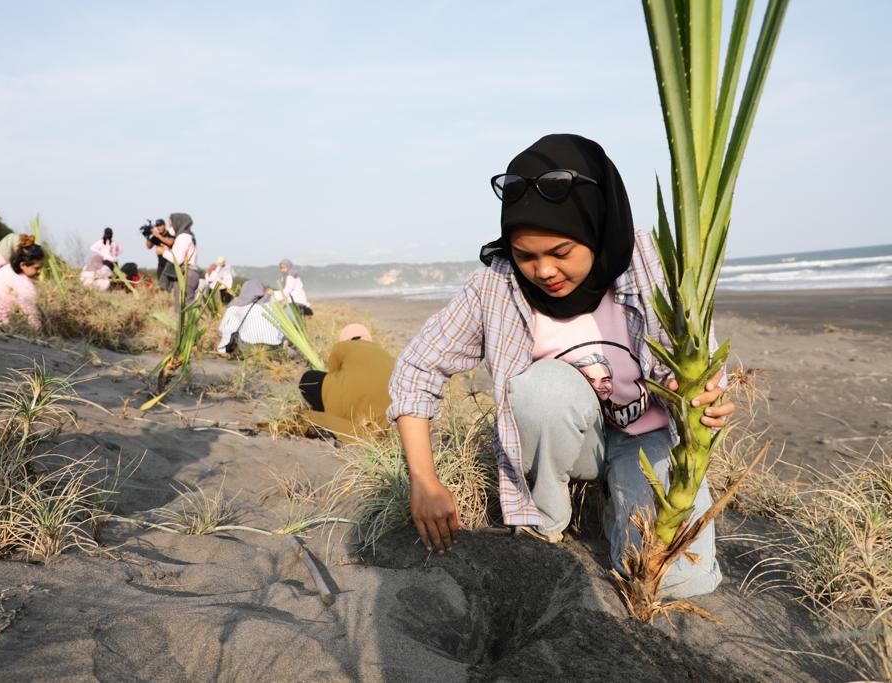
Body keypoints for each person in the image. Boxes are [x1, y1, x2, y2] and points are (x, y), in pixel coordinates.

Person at [387, 134, 736, 599]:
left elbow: (702, 361)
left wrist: (703, 393)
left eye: (559, 253)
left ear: (595, 230)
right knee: (543, 389)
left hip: (651, 437)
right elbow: (417, 368)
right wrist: (425, 482)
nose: (543, 271)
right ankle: (545, 521)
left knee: (675, 581)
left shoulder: (653, 266)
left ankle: (616, 502)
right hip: (570, 440)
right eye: (526, 254)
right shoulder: (497, 285)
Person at [298, 324, 395, 443]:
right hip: (384, 418)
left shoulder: (342, 346)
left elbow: (333, 372)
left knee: (309, 378)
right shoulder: (384, 353)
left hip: (350, 405)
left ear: (346, 338)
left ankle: (331, 413)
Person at [0, 237, 44, 329]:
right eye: (37, 268)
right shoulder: (24, 285)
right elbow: (32, 315)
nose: (39, 272)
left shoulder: (7, 269)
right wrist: (39, 330)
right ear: (22, 265)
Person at [216, 280, 284, 356]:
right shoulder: (272, 304)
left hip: (249, 348)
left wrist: (222, 349)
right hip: (273, 349)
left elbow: (225, 329)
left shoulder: (237, 305)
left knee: (234, 330)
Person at [156, 213, 200, 311]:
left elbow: (178, 259)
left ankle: (185, 326)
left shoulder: (183, 237)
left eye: (172, 224)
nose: (171, 227)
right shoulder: (188, 236)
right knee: (186, 306)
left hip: (185, 274)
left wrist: (163, 252)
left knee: (182, 308)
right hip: (190, 273)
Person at [144, 218, 173, 291]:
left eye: (160, 225)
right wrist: (148, 236)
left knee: (171, 285)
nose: (159, 227)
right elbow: (149, 246)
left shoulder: (169, 234)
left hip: (170, 263)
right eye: (157, 226)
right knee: (161, 285)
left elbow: (170, 242)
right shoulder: (156, 236)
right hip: (161, 265)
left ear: (164, 225)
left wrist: (157, 235)